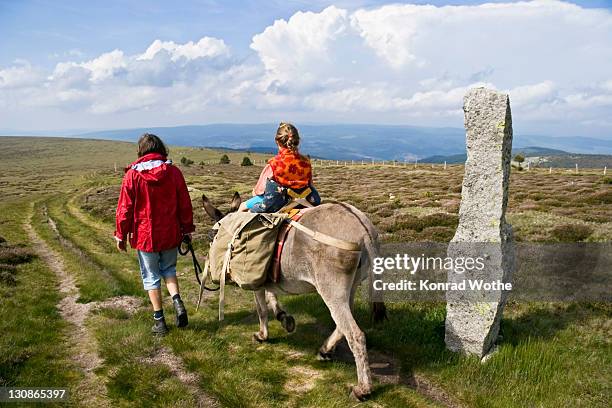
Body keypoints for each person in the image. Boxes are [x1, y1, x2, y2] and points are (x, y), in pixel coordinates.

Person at [115, 133, 195, 335]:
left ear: (141, 150)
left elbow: (125, 209)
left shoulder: (132, 176)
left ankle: (160, 322)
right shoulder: (173, 172)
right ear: (160, 148)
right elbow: (184, 203)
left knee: (151, 276)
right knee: (169, 269)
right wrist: (186, 229)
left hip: (145, 235)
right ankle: (177, 302)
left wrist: (120, 235)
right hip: (170, 232)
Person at [241, 122, 320, 213]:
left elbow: (259, 191)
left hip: (276, 203)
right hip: (304, 201)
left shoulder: (274, 163)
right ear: (297, 141)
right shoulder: (306, 162)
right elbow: (311, 184)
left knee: (242, 207)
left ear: (277, 141)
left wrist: (254, 192)